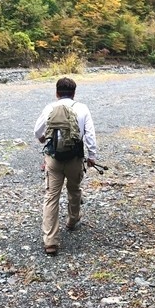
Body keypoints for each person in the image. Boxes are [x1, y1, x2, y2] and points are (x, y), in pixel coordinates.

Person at [33, 77, 97, 255]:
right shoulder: (82, 108)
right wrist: (92, 156)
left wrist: (42, 139)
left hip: (53, 159)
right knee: (74, 189)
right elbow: (90, 134)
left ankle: (50, 242)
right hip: (75, 158)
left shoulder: (49, 108)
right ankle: (72, 220)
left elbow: (37, 132)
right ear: (74, 93)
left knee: (51, 196)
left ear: (57, 93)